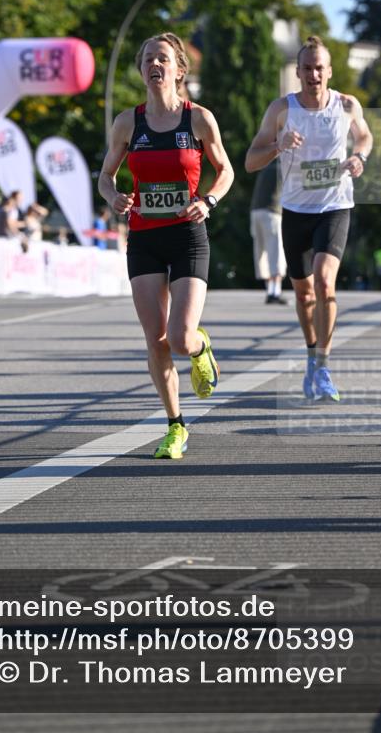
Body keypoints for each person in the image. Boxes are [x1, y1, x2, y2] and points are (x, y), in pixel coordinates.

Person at [99, 31, 234, 460]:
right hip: (143, 237)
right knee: (155, 338)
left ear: (179, 70)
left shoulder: (198, 120)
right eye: (147, 60)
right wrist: (114, 196)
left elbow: (225, 170)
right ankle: (176, 425)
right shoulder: (127, 123)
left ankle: (201, 348)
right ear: (141, 71)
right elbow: (106, 176)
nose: (154, 65)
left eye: (163, 59)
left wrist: (208, 200)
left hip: (187, 236)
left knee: (179, 337)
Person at [245, 35, 373, 402]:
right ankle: (311, 353)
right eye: (307, 68)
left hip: (335, 206)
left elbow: (364, 138)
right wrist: (278, 146)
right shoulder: (281, 110)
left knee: (325, 283)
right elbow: (251, 161)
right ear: (298, 72)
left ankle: (324, 365)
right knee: (303, 293)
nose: (314, 74)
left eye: (320, 67)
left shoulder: (347, 105)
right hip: (296, 210)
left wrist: (359, 158)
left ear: (329, 71)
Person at [249, 157, 288, 304]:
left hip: (256, 211)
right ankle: (275, 292)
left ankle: (269, 290)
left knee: (262, 252)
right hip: (272, 212)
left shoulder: (266, 167)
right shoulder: (284, 167)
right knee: (275, 251)